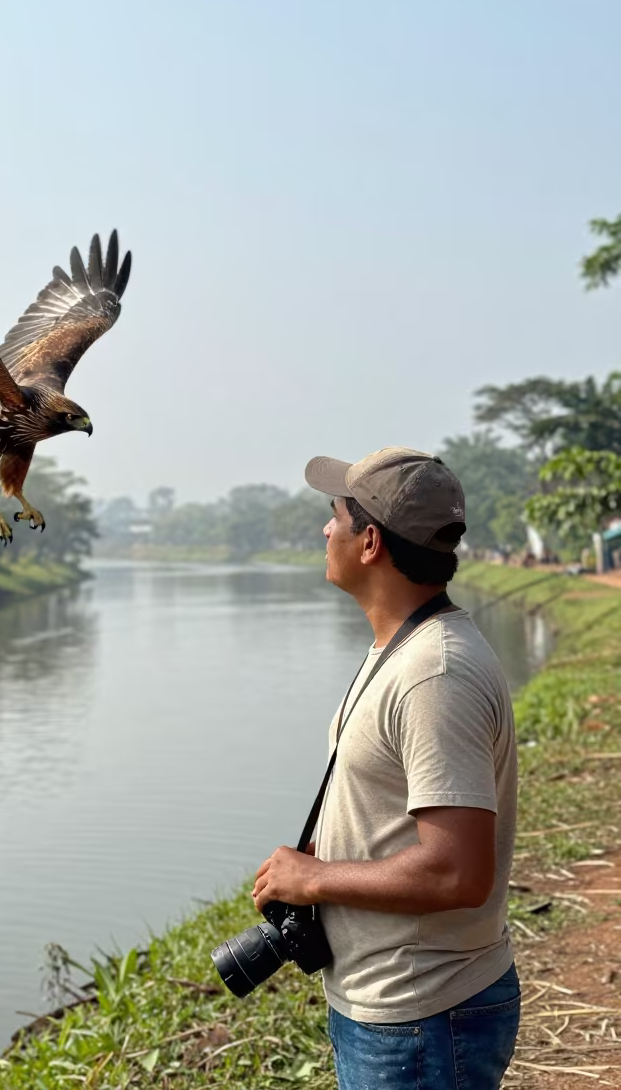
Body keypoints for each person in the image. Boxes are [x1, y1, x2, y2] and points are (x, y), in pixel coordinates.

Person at [252, 447, 520, 1090]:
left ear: (369, 541)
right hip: (402, 1007)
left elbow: (459, 872)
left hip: (422, 1013)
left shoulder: (435, 673)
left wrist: (316, 878)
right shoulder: (403, 648)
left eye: (335, 516)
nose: (324, 530)